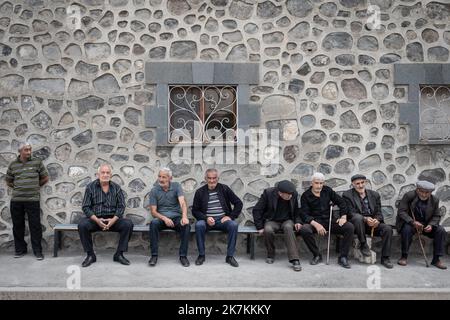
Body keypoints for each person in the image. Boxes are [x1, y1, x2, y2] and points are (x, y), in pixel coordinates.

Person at [79, 164, 133, 267]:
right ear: (98, 174)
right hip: (96, 220)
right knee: (82, 225)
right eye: (103, 172)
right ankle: (90, 255)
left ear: (111, 175)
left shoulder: (116, 188)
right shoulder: (90, 187)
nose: (105, 175)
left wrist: (113, 220)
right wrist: (97, 220)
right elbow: (86, 207)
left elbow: (121, 206)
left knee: (128, 224)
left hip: (112, 220)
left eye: (107, 173)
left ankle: (119, 254)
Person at [298, 172, 354, 269]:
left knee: (349, 227)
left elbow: (342, 202)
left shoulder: (327, 191)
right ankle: (317, 255)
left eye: (321, 183)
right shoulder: (305, 195)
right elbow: (304, 214)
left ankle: (343, 257)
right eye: (316, 183)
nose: (319, 186)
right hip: (314, 222)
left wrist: (343, 217)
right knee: (304, 230)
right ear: (312, 183)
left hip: (329, 220)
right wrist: (316, 225)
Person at [5, 143, 49, 260]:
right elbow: (8, 180)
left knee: (35, 226)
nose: (29, 152)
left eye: (30, 149)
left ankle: (38, 251)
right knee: (18, 226)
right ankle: (20, 250)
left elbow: (45, 178)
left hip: (32, 199)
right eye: (26, 150)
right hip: (16, 200)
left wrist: (35, 186)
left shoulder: (37, 162)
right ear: (20, 151)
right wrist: (18, 188)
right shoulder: (13, 165)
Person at [192, 169, 243, 267]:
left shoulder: (224, 189)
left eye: (214, 178)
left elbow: (238, 203)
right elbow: (195, 210)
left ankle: (230, 256)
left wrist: (230, 216)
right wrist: (206, 218)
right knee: (199, 225)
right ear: (205, 179)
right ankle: (201, 255)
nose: (212, 181)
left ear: (218, 178)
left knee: (233, 225)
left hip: (222, 220)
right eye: (209, 178)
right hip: (207, 221)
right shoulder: (200, 192)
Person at [343, 174, 394, 269]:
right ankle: (363, 244)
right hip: (357, 225)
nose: (360, 185)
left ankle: (385, 258)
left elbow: (379, 212)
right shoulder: (347, 195)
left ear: (365, 182)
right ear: (353, 184)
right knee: (358, 218)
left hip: (371, 224)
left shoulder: (374, 195)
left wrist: (377, 220)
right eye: (357, 184)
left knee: (388, 229)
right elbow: (350, 213)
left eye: (362, 182)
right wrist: (365, 219)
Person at [252, 180, 303, 271]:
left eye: (291, 194)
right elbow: (257, 210)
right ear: (280, 193)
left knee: (288, 228)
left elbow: (296, 211)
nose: (291, 196)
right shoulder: (268, 193)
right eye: (288, 194)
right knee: (267, 229)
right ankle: (270, 254)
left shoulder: (293, 194)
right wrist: (259, 227)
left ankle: (295, 259)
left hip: (287, 220)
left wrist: (298, 222)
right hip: (272, 220)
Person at [396, 180, 447, 269]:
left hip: (426, 225)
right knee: (406, 230)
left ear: (431, 192)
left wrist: (431, 225)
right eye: (421, 192)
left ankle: (436, 259)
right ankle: (404, 256)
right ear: (417, 190)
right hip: (411, 223)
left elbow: (436, 216)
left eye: (427, 193)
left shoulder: (434, 200)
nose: (424, 195)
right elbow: (401, 211)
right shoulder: (409, 196)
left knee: (440, 230)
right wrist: (412, 222)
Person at [147, 168, 190, 267]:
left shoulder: (176, 187)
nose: (161, 179)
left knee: (186, 225)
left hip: (176, 218)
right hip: (161, 218)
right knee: (153, 224)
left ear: (170, 178)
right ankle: (154, 255)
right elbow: (153, 212)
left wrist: (184, 217)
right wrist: (164, 218)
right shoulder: (154, 191)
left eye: (164, 177)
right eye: (159, 176)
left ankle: (183, 256)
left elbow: (182, 203)